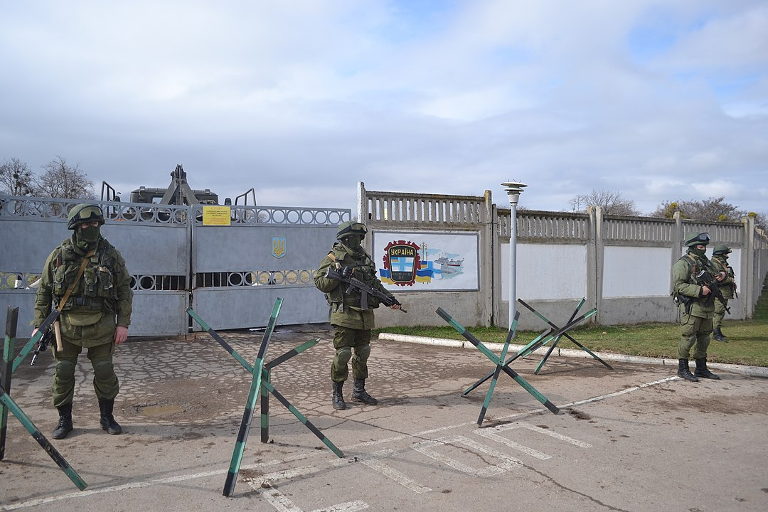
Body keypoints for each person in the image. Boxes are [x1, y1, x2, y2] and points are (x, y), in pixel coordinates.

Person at [32, 204, 133, 438]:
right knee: (64, 372)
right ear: (75, 227)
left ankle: (107, 417)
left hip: (102, 324)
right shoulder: (59, 255)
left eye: (95, 224)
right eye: (86, 225)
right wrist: (39, 324)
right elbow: (44, 291)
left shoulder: (110, 255)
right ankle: (64, 420)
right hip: (65, 327)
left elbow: (124, 290)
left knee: (105, 371)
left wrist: (123, 323)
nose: (91, 228)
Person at [314, 221, 400, 410]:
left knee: (363, 353)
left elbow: (373, 283)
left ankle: (359, 391)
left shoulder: (364, 258)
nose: (359, 241)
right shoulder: (333, 258)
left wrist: (388, 297)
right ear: (345, 238)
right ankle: (337, 393)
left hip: (364, 314)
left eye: (360, 237)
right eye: (355, 237)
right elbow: (319, 282)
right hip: (344, 313)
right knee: (343, 354)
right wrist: (337, 273)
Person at [671, 232, 725, 381]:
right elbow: (678, 286)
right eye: (701, 246)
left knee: (705, 338)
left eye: (705, 246)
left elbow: (716, 274)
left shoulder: (707, 262)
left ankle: (701, 368)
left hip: (707, 307)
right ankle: (683, 369)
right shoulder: (683, 263)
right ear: (693, 247)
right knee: (688, 338)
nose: (704, 249)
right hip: (693, 307)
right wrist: (699, 290)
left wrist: (721, 276)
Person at [710, 245, 736, 342]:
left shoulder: (720, 263)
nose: (727, 256)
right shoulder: (715, 264)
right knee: (718, 312)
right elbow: (718, 279)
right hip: (719, 292)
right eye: (725, 253)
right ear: (720, 254)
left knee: (720, 313)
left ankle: (718, 331)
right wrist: (730, 279)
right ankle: (716, 333)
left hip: (723, 292)